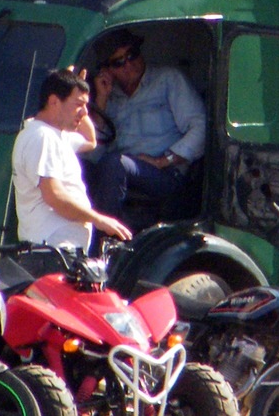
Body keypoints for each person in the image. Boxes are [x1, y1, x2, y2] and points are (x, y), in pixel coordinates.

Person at [86, 28, 206, 228]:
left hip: (166, 174)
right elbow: (93, 155)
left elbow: (201, 127)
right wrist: (101, 101)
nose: (129, 64)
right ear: (107, 70)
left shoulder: (168, 79)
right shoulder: (107, 96)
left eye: (132, 55)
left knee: (115, 163)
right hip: (120, 174)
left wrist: (161, 161)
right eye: (118, 62)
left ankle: (103, 241)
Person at [12, 67, 132, 250]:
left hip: (62, 245)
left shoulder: (58, 135)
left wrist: (76, 87)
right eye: (78, 105)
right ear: (54, 102)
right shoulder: (42, 137)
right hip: (51, 247)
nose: (85, 112)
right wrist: (98, 219)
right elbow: (55, 196)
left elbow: (91, 141)